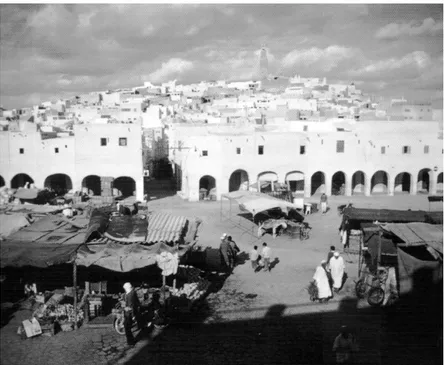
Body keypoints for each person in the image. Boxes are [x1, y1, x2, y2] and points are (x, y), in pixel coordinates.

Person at [122, 282, 141, 346]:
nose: (124, 289)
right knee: (127, 328)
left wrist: (133, 315)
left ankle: (131, 342)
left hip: (129, 314)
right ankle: (131, 340)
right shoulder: (131, 292)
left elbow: (131, 306)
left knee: (127, 327)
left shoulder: (130, 294)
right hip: (129, 313)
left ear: (127, 288)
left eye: (125, 288)